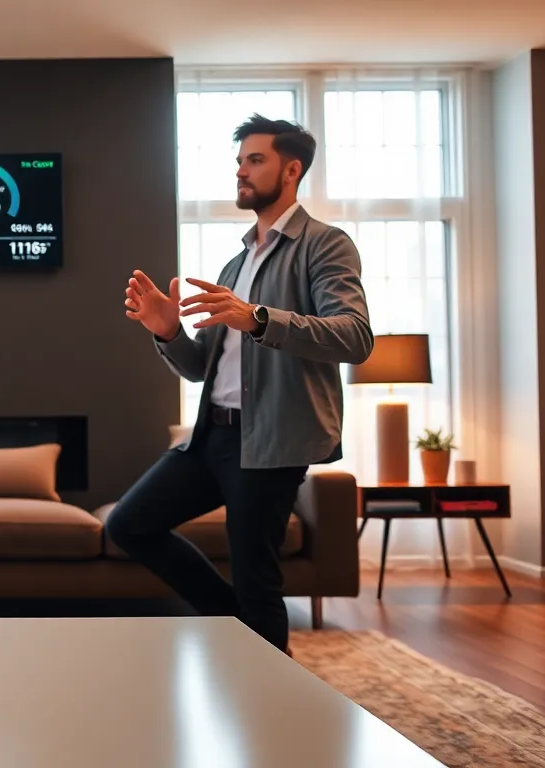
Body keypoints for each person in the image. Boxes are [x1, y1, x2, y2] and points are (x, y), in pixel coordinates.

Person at [110, 114, 372, 653]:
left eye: (255, 160)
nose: (241, 171)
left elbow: (354, 336)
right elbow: (200, 367)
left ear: (291, 170)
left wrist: (257, 318)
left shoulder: (325, 245)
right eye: (239, 161)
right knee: (128, 525)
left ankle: (270, 690)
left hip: (272, 443)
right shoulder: (236, 265)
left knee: (257, 582)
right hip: (212, 437)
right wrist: (167, 331)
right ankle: (237, 625)